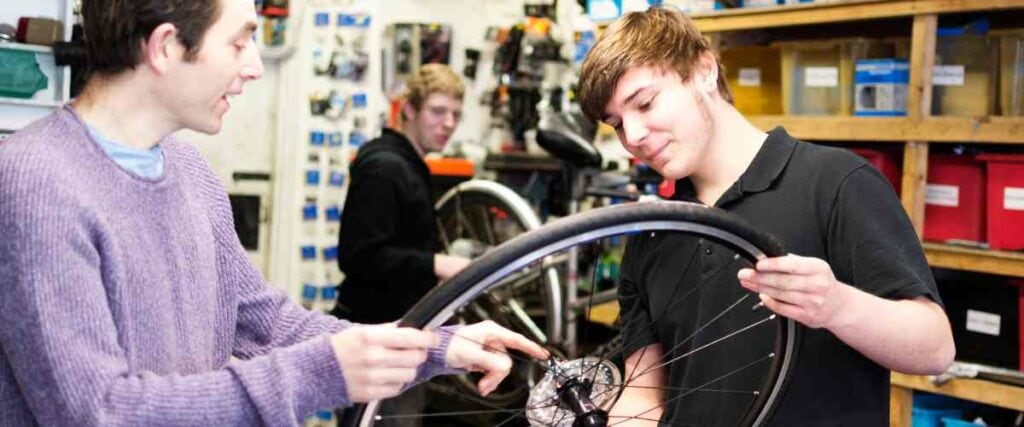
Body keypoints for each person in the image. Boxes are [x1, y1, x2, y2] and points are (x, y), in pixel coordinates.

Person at [0, 0, 547, 425]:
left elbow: (270, 325)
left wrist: (434, 346)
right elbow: (98, 413)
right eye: (239, 43)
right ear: (166, 47)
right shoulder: (36, 183)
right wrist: (322, 373)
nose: (255, 66)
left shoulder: (189, 171)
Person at [577, 7, 955, 426]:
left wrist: (838, 306)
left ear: (704, 70)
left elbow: (935, 348)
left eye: (645, 103)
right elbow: (643, 397)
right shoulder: (654, 232)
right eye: (616, 124)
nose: (634, 137)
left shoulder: (835, 183)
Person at [332, 64, 470, 324]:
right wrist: (435, 264)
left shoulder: (411, 164)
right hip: (371, 326)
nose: (449, 124)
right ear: (409, 109)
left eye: (456, 114)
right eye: (438, 111)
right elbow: (359, 258)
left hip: (396, 322)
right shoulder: (385, 167)